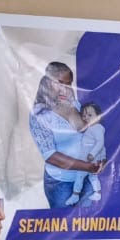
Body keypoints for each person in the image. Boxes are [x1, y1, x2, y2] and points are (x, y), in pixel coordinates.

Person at [28, 62, 104, 208]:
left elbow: (84, 130)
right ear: (47, 83)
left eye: (68, 84)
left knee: (90, 220)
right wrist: (86, 166)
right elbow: (50, 156)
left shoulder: (74, 104)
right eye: (60, 83)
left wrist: (70, 108)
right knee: (64, 221)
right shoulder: (39, 114)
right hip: (60, 183)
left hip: (86, 177)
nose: (65, 89)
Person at [69, 103, 107, 205]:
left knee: (79, 176)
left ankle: (75, 195)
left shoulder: (97, 128)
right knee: (92, 177)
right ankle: (97, 193)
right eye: (84, 115)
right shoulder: (91, 128)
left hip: (89, 159)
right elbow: (101, 146)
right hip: (88, 159)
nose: (86, 118)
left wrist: (92, 154)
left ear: (98, 116)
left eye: (90, 115)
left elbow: (100, 143)